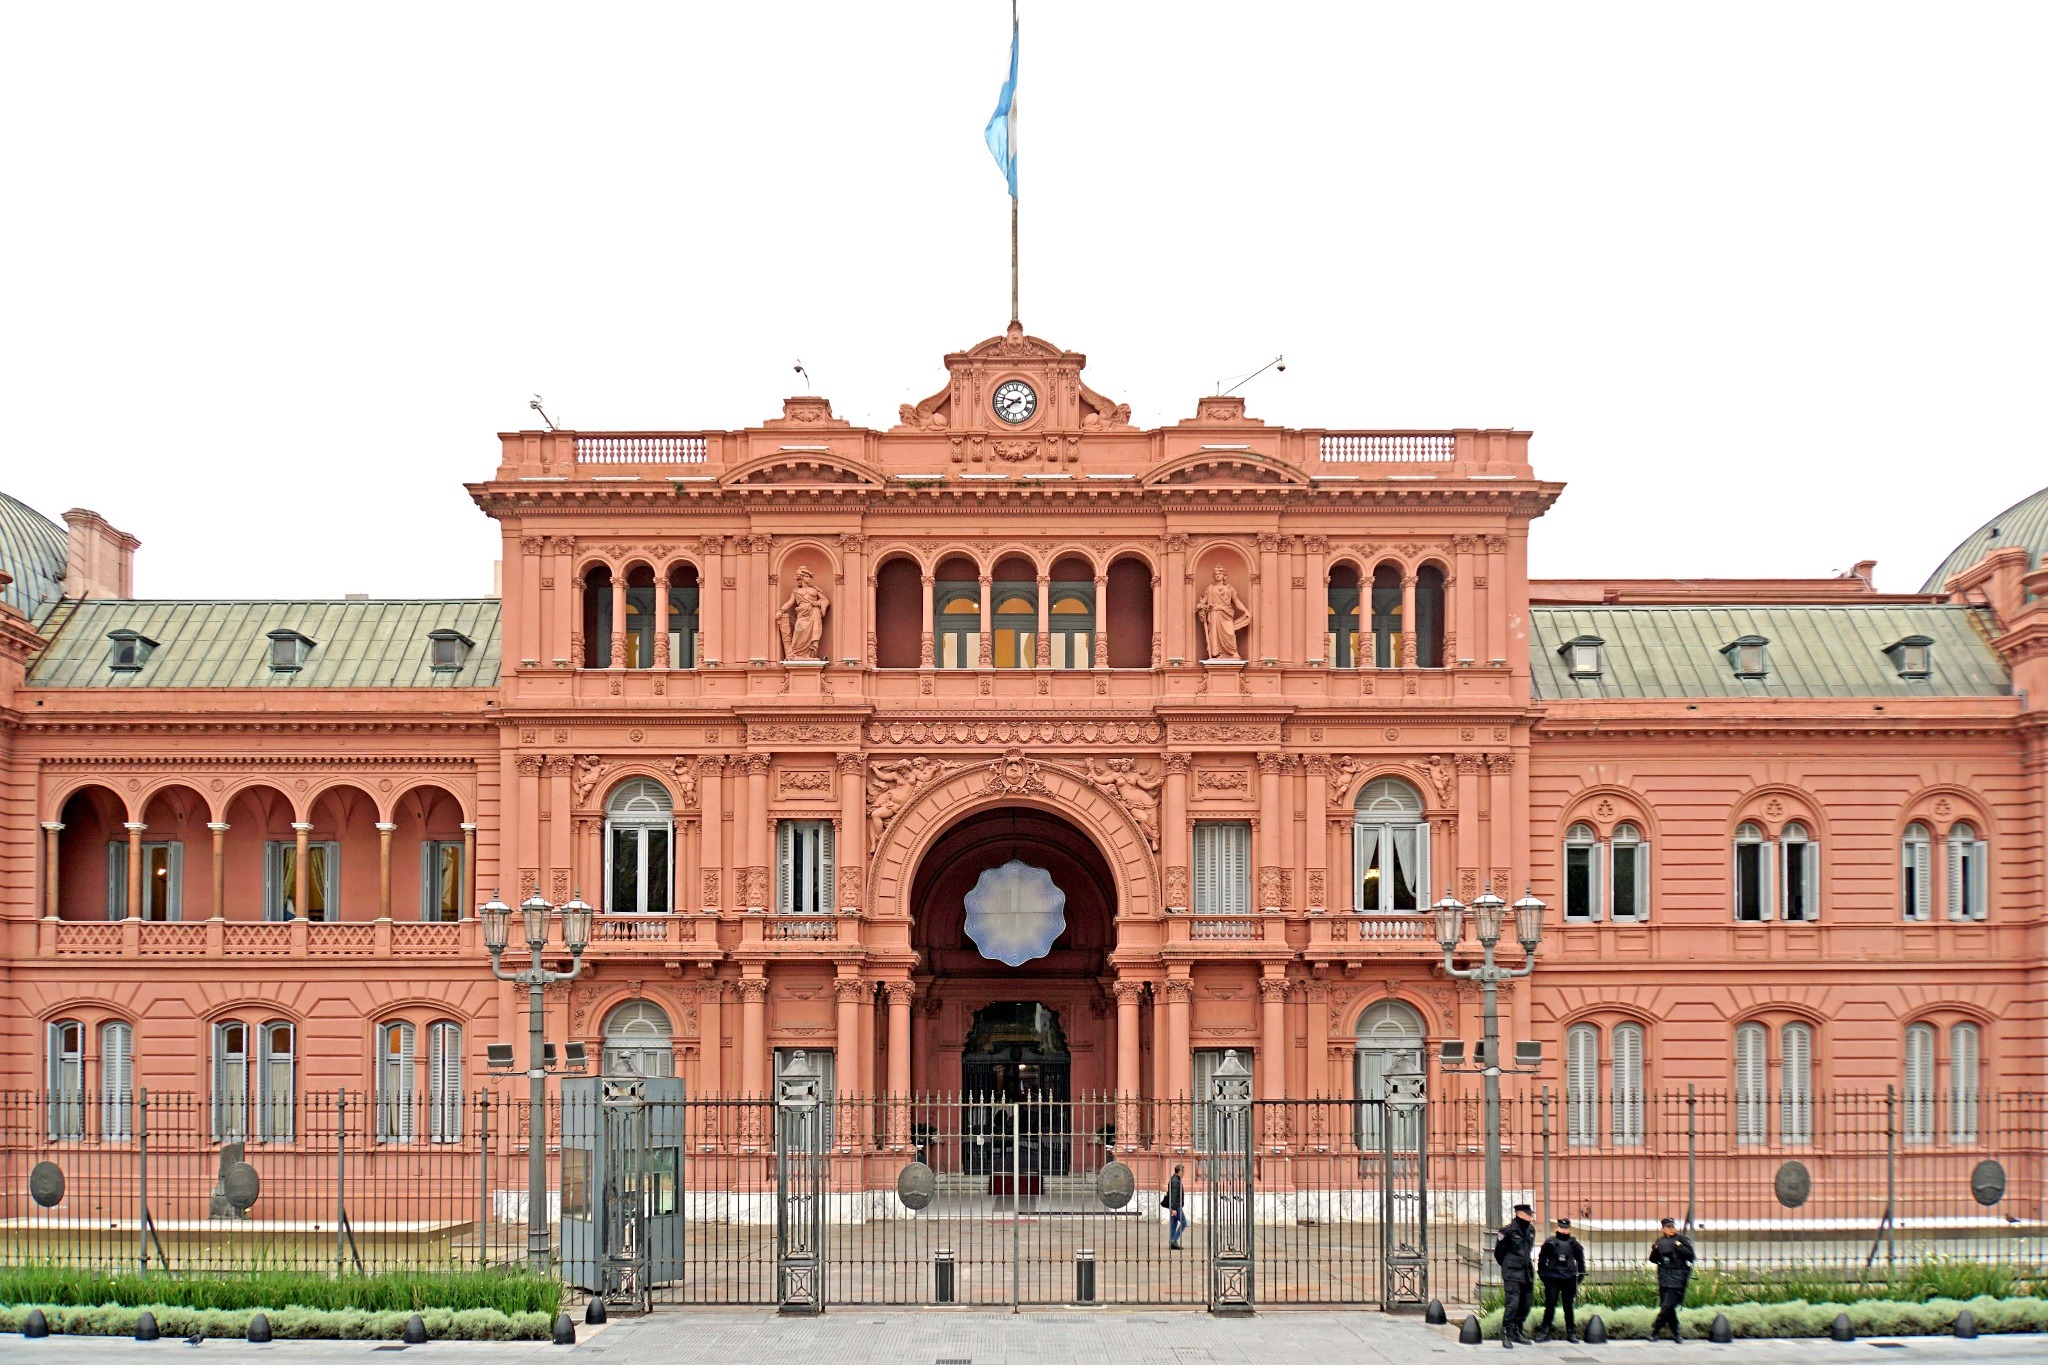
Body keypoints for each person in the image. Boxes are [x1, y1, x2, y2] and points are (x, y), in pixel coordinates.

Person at [1534, 1217, 1587, 1343]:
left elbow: (1581, 1262)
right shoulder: (1550, 1243)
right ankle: (1545, 1331)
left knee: (1568, 1307)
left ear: (1570, 1229)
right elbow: (1542, 1260)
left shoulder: (1574, 1244)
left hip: (1569, 1279)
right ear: (1557, 1228)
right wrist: (1543, 1275)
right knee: (1550, 1305)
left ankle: (1571, 1332)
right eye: (1561, 1227)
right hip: (1552, 1278)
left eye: (1566, 1228)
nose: (1563, 1230)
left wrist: (1579, 1278)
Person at [1493, 1202, 1537, 1347]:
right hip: (1512, 1272)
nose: (1531, 1217)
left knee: (1526, 1304)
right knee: (1512, 1303)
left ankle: (1518, 1331)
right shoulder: (1507, 1231)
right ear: (1520, 1214)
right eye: (1529, 1214)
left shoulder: (1531, 1230)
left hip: (1526, 1272)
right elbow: (1499, 1253)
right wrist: (1509, 1266)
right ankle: (1506, 1333)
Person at [1648, 1216, 1696, 1343]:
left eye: (1673, 1226)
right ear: (1663, 1229)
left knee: (1666, 1306)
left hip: (1678, 1277)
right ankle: (1676, 1334)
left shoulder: (1682, 1239)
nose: (1671, 1229)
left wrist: (1680, 1247)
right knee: (1669, 1308)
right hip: (1664, 1277)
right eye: (1668, 1227)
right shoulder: (1660, 1241)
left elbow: (1691, 1256)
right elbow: (1653, 1260)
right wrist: (1655, 1250)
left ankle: (1655, 1330)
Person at [1162, 1164, 1187, 1249]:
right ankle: (1174, 1240)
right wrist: (1173, 1208)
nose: (1184, 1173)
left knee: (1173, 1223)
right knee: (1184, 1222)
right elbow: (1174, 1196)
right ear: (1180, 1172)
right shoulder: (1176, 1181)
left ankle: (1172, 1242)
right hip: (1176, 1206)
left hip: (1174, 1205)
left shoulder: (1174, 1179)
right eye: (1183, 1172)